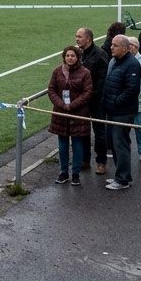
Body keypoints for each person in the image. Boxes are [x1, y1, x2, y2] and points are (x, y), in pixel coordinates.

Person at [44, 46, 93, 186]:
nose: (70, 58)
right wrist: (61, 104)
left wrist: (72, 106)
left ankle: (76, 173)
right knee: (63, 144)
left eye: (72, 55)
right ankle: (63, 172)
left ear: (78, 57)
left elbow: (87, 92)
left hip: (78, 113)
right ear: (64, 57)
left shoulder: (85, 72)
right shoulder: (57, 71)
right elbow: (52, 89)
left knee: (78, 144)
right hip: (61, 113)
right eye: (67, 56)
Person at [102, 35, 141, 190]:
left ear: (125, 48)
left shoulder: (132, 64)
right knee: (114, 143)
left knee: (120, 144)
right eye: (112, 44)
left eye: (115, 45)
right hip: (112, 110)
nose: (111, 47)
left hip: (122, 112)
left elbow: (132, 89)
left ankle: (122, 179)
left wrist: (115, 101)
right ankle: (121, 175)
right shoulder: (116, 62)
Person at [75, 27, 109, 174]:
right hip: (82, 100)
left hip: (96, 101)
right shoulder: (78, 54)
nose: (76, 39)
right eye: (76, 36)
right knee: (83, 131)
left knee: (99, 132)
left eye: (79, 37)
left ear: (88, 39)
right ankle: (85, 160)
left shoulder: (100, 55)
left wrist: (90, 96)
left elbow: (102, 80)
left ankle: (101, 162)